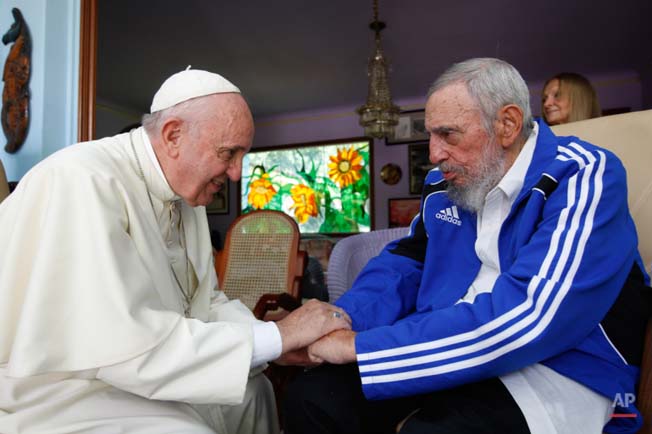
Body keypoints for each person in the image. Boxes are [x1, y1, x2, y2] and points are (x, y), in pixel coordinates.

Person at [284, 58, 650, 434]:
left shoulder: (584, 175)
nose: (434, 154)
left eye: (448, 134)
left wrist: (360, 348)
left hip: (555, 365)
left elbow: (531, 315)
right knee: (311, 399)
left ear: (507, 124)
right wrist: (338, 320)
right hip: (444, 340)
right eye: (431, 135)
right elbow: (407, 264)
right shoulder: (445, 184)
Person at [0, 68, 352, 434]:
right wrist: (277, 337)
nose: (236, 173)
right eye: (228, 153)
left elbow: (205, 304)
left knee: (255, 393)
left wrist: (273, 342)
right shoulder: (82, 181)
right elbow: (120, 343)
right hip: (63, 385)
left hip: (141, 367)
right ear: (173, 136)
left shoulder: (184, 194)